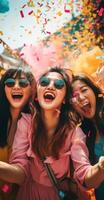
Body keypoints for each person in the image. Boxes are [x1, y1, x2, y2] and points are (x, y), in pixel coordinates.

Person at [0, 67, 89, 200]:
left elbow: (84, 174)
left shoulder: (73, 131)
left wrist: (103, 166)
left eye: (59, 84)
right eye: (10, 83)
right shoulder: (25, 122)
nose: (16, 87)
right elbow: (20, 168)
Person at [71, 74, 104, 200]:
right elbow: (86, 180)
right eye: (74, 96)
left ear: (94, 92)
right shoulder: (79, 134)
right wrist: (103, 165)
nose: (81, 97)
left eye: (84, 90)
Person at [0, 67, 36, 200]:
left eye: (23, 83)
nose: (16, 86)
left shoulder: (37, 125)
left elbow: (23, 176)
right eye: (10, 83)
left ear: (31, 89)